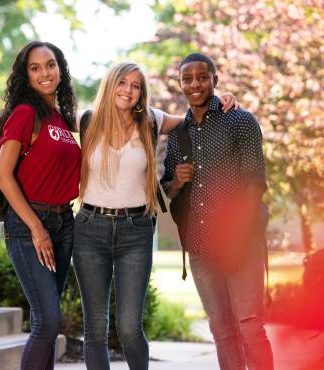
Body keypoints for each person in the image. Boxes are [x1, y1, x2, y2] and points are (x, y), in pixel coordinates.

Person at [72, 61, 238, 370]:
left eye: (136, 86)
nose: (128, 90)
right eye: (123, 83)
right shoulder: (86, 120)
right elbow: (43, 119)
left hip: (135, 231)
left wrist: (222, 98)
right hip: (89, 230)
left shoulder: (151, 120)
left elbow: (195, 115)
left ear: (141, 93)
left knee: (129, 328)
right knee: (94, 330)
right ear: (110, 85)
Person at [161, 53, 274, 370]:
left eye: (201, 76)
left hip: (241, 242)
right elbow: (168, 188)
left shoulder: (240, 120)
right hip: (199, 247)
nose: (195, 84)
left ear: (215, 80)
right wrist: (177, 182)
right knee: (222, 331)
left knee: (250, 325)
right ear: (180, 84)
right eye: (187, 78)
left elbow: (256, 183)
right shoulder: (177, 134)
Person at [0, 41, 81, 370]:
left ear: (60, 69)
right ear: (25, 76)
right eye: (35, 67)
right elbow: (3, 176)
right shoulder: (24, 113)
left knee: (50, 323)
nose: (45, 73)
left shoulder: (61, 118)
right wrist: (36, 228)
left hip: (63, 223)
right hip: (30, 223)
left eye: (50, 65)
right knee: (47, 322)